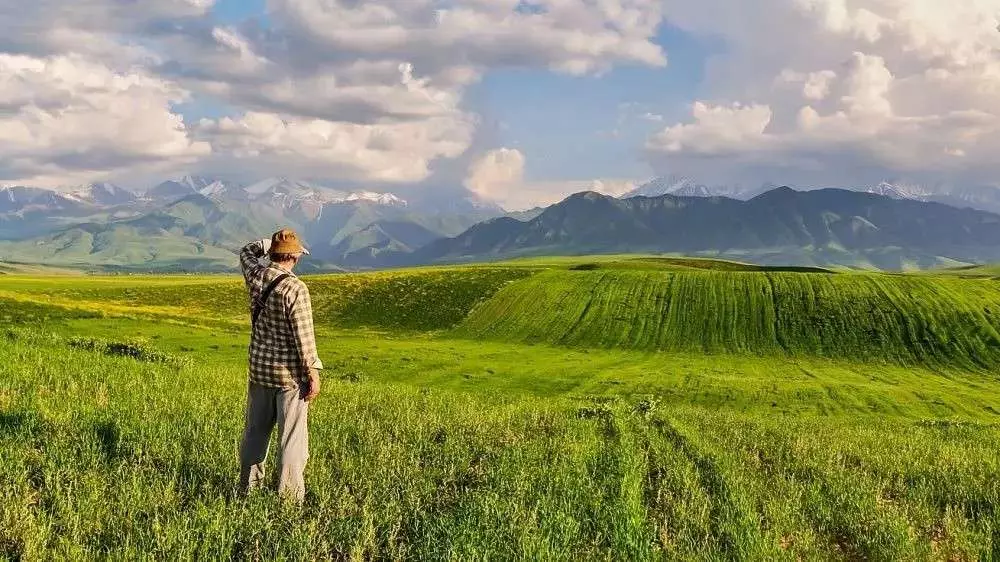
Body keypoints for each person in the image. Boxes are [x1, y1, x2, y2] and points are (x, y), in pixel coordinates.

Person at [237, 228, 323, 503]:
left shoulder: (256, 276)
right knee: (291, 440)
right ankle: (289, 498)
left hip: (259, 370)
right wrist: (313, 373)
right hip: (289, 377)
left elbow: (247, 251)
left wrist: (268, 244)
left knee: (255, 432)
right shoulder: (295, 288)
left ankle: (248, 490)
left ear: (273, 253)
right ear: (296, 257)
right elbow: (304, 338)